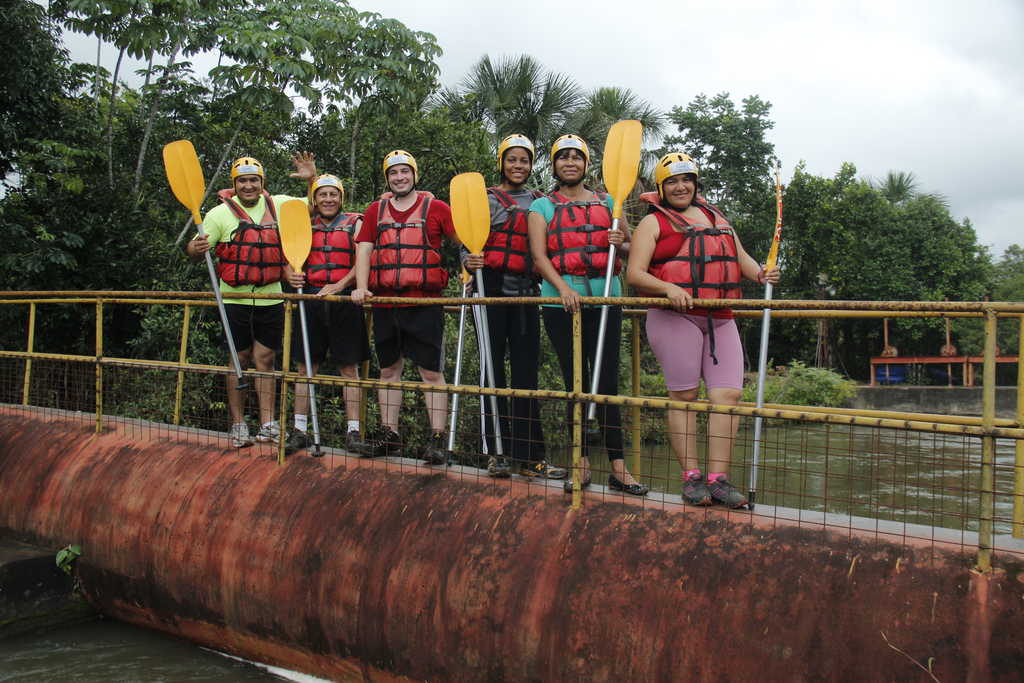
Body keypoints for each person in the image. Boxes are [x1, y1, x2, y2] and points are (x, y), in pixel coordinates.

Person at [626, 152, 780, 508]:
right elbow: (635, 273)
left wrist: (762, 273)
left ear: (696, 183)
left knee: (728, 397)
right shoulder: (654, 223)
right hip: (674, 315)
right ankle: (691, 478)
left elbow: (741, 259)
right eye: (672, 182)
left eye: (686, 180)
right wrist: (669, 288)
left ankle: (719, 479)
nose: (680, 187)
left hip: (720, 315)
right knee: (684, 397)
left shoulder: (717, 217)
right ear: (661, 188)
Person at [527, 134, 648, 496]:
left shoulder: (610, 202)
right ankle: (579, 466)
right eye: (562, 158)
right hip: (561, 303)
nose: (570, 163)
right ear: (554, 165)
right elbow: (539, 257)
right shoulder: (542, 208)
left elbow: (630, 247)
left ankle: (619, 469)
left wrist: (619, 243)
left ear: (585, 164)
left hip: (606, 300)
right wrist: (564, 289)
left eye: (576, 158)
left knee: (607, 383)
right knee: (575, 384)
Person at [185, 154, 317, 448]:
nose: (248, 186)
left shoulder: (279, 205)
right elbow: (196, 249)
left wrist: (310, 179)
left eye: (253, 180)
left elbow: (310, 208)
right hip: (234, 299)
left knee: (265, 360)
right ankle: (238, 424)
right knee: (239, 360)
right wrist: (194, 247)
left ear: (262, 183)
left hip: (270, 298)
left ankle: (268, 424)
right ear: (234, 185)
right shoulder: (219, 215)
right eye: (242, 181)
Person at [463, 134, 566, 480]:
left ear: (531, 164)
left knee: (526, 377)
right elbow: (466, 246)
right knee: (491, 373)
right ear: (502, 163)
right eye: (512, 160)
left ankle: (531, 455)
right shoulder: (486, 200)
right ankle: (496, 454)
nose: (518, 166)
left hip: (525, 293)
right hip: (488, 290)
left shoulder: (540, 202)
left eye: (524, 160)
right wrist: (469, 259)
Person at [351, 150, 460, 465]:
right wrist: (361, 286)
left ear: (414, 175)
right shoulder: (376, 210)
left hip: (424, 302)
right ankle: (390, 434)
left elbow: (461, 241)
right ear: (388, 178)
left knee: (430, 372)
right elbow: (364, 250)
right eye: (393, 173)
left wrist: (470, 263)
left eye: (405, 172)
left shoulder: (437, 208)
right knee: (388, 370)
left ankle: (438, 437)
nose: (400, 177)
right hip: (386, 301)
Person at [283, 173, 372, 456]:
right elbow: (286, 258)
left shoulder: (354, 223)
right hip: (310, 298)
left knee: (349, 369)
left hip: (344, 301)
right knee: (305, 367)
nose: (328, 199)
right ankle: (299, 429)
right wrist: (290, 276)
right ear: (315, 199)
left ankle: (353, 431)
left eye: (333, 194)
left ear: (341, 198)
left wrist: (339, 285)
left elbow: (361, 260)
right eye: (323, 195)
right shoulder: (305, 226)